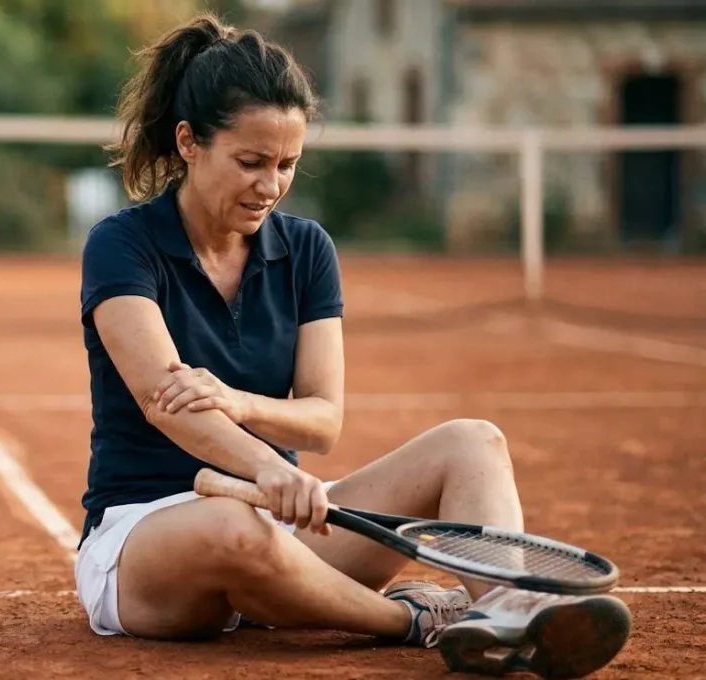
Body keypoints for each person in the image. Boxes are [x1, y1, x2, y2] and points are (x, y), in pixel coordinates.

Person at [73, 13, 632, 679]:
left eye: (287, 165)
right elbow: (165, 401)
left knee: (472, 442)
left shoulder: (307, 248)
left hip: (280, 521)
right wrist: (269, 467)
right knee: (231, 527)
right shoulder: (122, 244)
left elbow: (323, 418)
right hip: (148, 541)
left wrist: (242, 408)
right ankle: (422, 620)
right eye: (250, 163)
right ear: (189, 142)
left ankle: (507, 609)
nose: (270, 186)